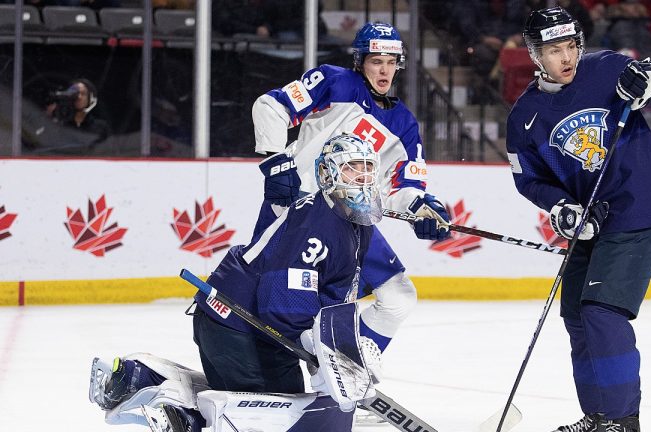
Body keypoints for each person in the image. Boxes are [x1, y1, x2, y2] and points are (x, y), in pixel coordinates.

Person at [89, 134, 390, 432]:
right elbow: (282, 301)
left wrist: (337, 345)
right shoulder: (317, 225)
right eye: (352, 167)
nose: (362, 177)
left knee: (281, 403)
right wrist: (322, 346)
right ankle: (174, 407)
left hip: (236, 322)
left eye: (368, 168)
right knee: (281, 415)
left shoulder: (352, 221)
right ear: (328, 173)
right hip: (240, 324)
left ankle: (138, 378)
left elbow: (331, 289)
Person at [505, 7, 651, 432]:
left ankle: (621, 420)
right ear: (536, 55)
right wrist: (561, 206)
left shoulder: (610, 69)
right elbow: (529, 180)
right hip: (589, 229)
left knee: (602, 312)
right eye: (555, 49)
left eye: (571, 45)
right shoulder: (524, 117)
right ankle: (597, 417)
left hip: (637, 215)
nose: (567, 56)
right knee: (575, 316)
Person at [249, 21, 451, 393]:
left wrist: (421, 209)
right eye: (377, 60)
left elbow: (402, 188)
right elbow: (270, 106)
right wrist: (277, 160)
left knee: (397, 297)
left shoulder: (404, 124)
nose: (385, 69)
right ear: (360, 61)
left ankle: (349, 376)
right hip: (298, 211)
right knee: (283, 310)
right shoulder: (334, 81)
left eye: (392, 61)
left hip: (350, 223)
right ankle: (288, 378)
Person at [24, 78, 111, 153]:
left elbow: (108, 151)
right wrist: (46, 119)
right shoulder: (56, 125)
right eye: (74, 94)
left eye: (83, 94)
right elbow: (31, 145)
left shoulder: (100, 127)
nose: (79, 97)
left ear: (90, 98)